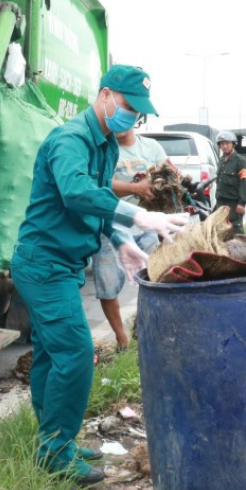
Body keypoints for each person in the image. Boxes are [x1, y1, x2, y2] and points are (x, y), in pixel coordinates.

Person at [11, 65, 187, 486]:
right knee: (74, 355)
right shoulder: (70, 139)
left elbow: (97, 199)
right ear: (106, 95)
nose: (132, 119)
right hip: (43, 264)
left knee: (52, 355)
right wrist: (138, 215)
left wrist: (120, 236)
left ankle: (54, 441)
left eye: (138, 114)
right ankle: (55, 452)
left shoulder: (105, 142)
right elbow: (74, 191)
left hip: (64, 263)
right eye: (129, 107)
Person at [92, 124, 168, 350]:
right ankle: (121, 337)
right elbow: (97, 185)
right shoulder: (102, 150)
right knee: (107, 284)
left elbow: (166, 175)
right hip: (109, 225)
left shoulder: (151, 148)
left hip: (145, 226)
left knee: (156, 278)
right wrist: (135, 187)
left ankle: (148, 327)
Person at [213, 130, 246, 235]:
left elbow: (245, 182)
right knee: (220, 232)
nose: (224, 146)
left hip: (234, 204)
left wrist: (242, 203)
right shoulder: (221, 161)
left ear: (233, 144)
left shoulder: (240, 161)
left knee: (236, 234)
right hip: (220, 203)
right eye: (222, 144)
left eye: (227, 143)